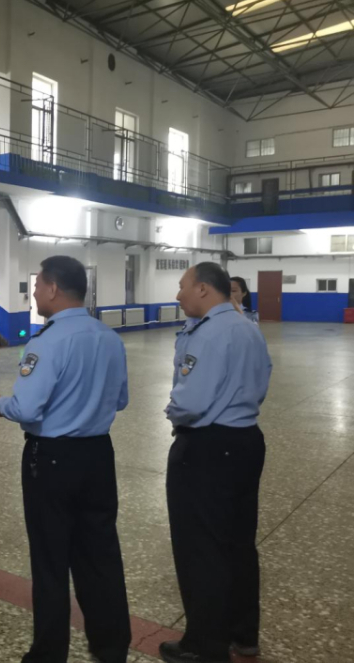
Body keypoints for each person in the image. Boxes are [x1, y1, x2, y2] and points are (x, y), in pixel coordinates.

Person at [0, 255, 131, 663]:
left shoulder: (47, 342)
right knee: (100, 554)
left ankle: (49, 654)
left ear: (52, 288)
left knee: (50, 560)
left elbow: (27, 408)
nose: (34, 294)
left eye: (37, 286)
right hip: (98, 456)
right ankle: (111, 647)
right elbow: (121, 400)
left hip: (52, 461)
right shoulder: (109, 338)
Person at [160, 262, 272, 663]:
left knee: (201, 548)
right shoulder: (248, 327)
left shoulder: (208, 333)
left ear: (204, 289)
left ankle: (204, 646)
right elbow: (263, 380)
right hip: (246, 440)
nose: (178, 295)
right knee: (239, 543)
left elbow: (190, 401)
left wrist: (172, 413)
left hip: (207, 448)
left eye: (183, 287)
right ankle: (243, 635)